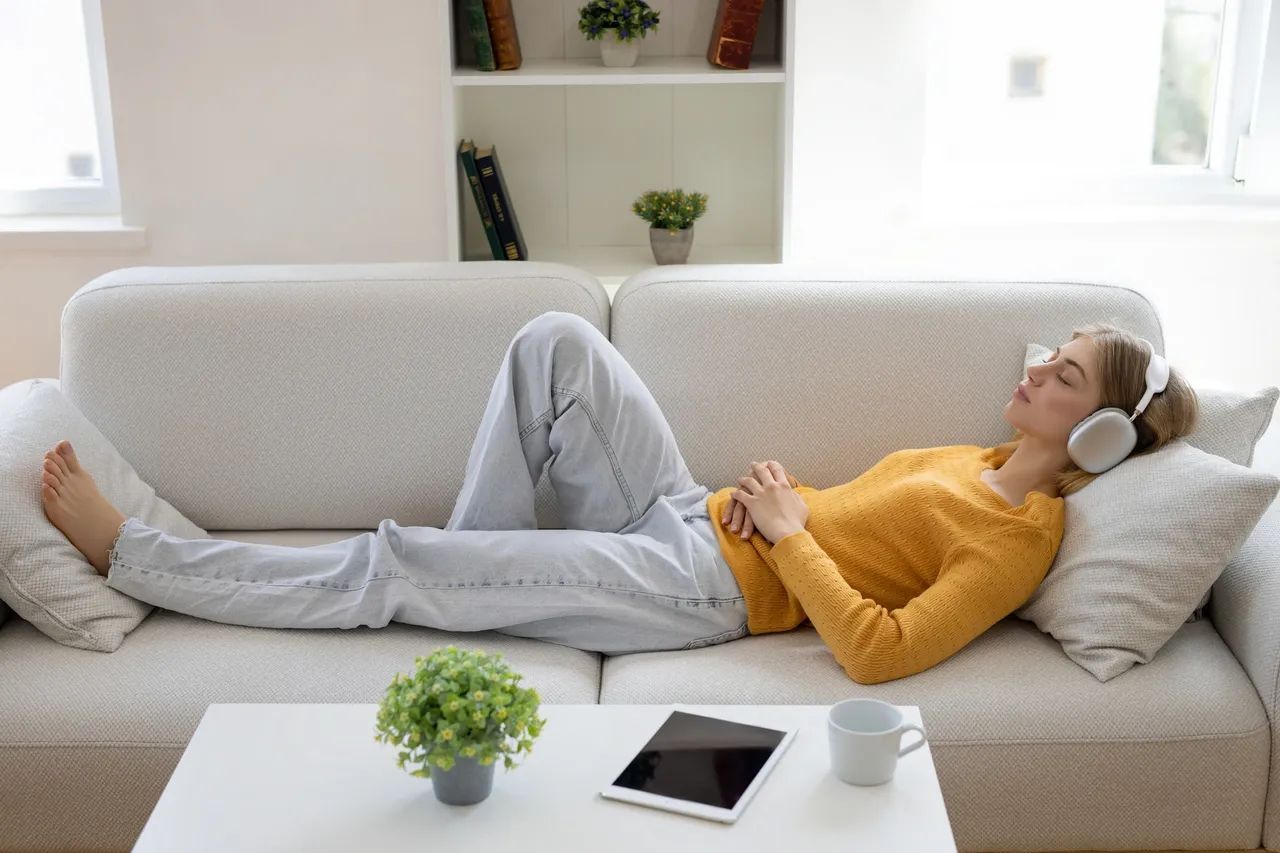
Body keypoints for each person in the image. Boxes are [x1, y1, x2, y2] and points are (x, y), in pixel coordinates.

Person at [38, 311, 1199, 681]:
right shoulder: (965, 459)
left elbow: (882, 650)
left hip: (697, 591)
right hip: (695, 517)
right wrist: (779, 493)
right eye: (1045, 356)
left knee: (398, 560)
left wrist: (788, 540)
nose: (1033, 370)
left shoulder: (1019, 536)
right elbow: (850, 516)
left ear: (1093, 430)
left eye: (1060, 374)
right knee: (556, 346)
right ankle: (467, 582)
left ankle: (137, 558)